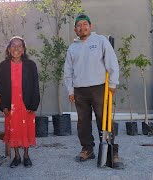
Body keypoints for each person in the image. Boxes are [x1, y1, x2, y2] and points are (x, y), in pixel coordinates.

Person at [63, 14, 124, 169]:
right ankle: (87, 149)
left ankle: (112, 152)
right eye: (79, 25)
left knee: (104, 120)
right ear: (75, 29)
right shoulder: (72, 47)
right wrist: (71, 90)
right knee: (83, 122)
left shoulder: (100, 41)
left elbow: (112, 62)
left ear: (90, 26)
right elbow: (68, 71)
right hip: (79, 91)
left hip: (99, 88)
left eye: (85, 24)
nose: (82, 27)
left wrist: (113, 83)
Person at [0, 36, 40, 168]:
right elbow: (0, 87)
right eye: (13, 46)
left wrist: (33, 104)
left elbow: (35, 86)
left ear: (24, 49)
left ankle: (26, 155)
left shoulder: (30, 65)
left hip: (26, 103)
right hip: (11, 104)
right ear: (9, 49)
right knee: (13, 129)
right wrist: (4, 105)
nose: (16, 48)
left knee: (26, 129)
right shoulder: (3, 66)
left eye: (19, 45)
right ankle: (16, 156)